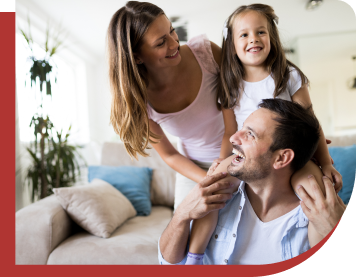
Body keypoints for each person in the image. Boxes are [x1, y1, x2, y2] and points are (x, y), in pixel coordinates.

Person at [187, 3, 342, 263]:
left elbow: (312, 124)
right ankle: (194, 257)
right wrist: (222, 160)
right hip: (247, 155)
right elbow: (230, 133)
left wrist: (325, 163)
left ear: (271, 37)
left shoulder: (288, 75)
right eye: (244, 34)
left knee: (315, 191)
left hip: (293, 157)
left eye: (261, 32)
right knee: (212, 189)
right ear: (232, 44)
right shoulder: (229, 85)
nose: (253, 39)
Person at [158, 99, 346, 265]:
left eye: (250, 135)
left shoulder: (318, 216)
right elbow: (169, 265)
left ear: (281, 158)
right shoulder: (217, 197)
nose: (233, 138)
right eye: (241, 128)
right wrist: (181, 215)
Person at [107, 1, 240, 210]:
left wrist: (222, 168)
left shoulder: (207, 54)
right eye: (160, 43)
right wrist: (207, 179)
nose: (174, 44)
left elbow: (243, 101)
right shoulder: (140, 102)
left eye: (172, 31)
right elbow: (169, 154)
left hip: (238, 153)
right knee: (182, 231)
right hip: (193, 167)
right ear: (137, 57)